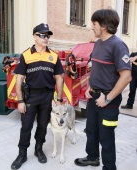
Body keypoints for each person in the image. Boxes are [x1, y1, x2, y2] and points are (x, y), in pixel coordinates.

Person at [74, 9, 132, 170]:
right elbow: (97, 68)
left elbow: (126, 76)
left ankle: (109, 167)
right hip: (94, 96)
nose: (92, 27)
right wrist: (90, 87)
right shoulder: (98, 44)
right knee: (91, 130)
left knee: (106, 137)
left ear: (104, 26)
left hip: (109, 100)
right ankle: (92, 158)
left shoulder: (118, 46)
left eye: (94, 24)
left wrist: (107, 98)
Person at [11, 23, 64, 170]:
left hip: (47, 97)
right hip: (31, 97)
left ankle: (38, 149)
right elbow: (19, 79)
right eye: (42, 35)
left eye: (47, 36)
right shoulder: (26, 55)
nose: (46, 38)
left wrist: (59, 100)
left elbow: (59, 78)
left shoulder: (53, 56)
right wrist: (20, 101)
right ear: (35, 36)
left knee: (42, 125)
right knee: (26, 126)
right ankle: (22, 154)